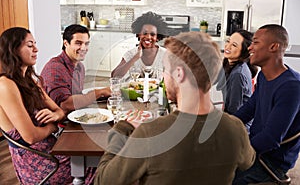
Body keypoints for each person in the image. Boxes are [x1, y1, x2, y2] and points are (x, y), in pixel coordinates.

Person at [94, 31, 255, 185]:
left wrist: (122, 128)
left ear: (179, 74)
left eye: (165, 69)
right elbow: (248, 162)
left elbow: (103, 180)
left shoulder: (150, 134)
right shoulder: (236, 129)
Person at [0, 27, 72, 184]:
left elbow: (59, 110)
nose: (36, 49)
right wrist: (53, 126)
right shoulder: (5, 85)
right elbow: (30, 136)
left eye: (35, 44)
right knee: (98, 165)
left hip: (52, 149)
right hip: (38, 163)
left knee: (101, 160)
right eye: (29, 45)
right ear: (13, 49)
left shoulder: (30, 81)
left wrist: (56, 116)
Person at [233, 24, 300, 184]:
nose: (249, 47)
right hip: (256, 151)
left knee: (219, 175)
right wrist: (223, 125)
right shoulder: (264, 76)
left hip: (269, 162)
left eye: (255, 42)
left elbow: (271, 138)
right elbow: (249, 109)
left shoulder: (291, 87)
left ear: (274, 47)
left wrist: (236, 150)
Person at [40, 24, 111, 114]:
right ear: (66, 43)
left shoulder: (80, 67)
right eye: (78, 43)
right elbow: (66, 104)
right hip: (57, 124)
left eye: (86, 43)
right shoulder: (55, 68)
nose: (83, 48)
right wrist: (100, 92)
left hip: (74, 115)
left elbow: (76, 97)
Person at [111, 11, 167, 81]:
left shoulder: (166, 55)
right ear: (139, 34)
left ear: (158, 37)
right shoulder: (131, 54)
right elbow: (114, 76)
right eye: (144, 33)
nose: (148, 37)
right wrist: (136, 57)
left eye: (152, 34)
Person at [216, 29, 258, 114]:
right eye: (228, 41)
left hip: (238, 124)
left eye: (234, 45)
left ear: (244, 51)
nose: (228, 47)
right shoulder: (231, 64)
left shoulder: (238, 74)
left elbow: (234, 110)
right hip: (231, 118)